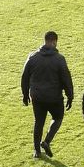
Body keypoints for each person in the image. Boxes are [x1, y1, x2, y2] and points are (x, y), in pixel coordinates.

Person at [21, 30, 73, 159]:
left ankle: (37, 151)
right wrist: (70, 95)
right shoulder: (59, 59)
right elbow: (66, 79)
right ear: (55, 41)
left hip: (37, 97)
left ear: (45, 41)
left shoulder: (32, 57)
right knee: (58, 118)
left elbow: (24, 77)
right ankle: (46, 141)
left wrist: (25, 94)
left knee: (39, 122)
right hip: (54, 97)